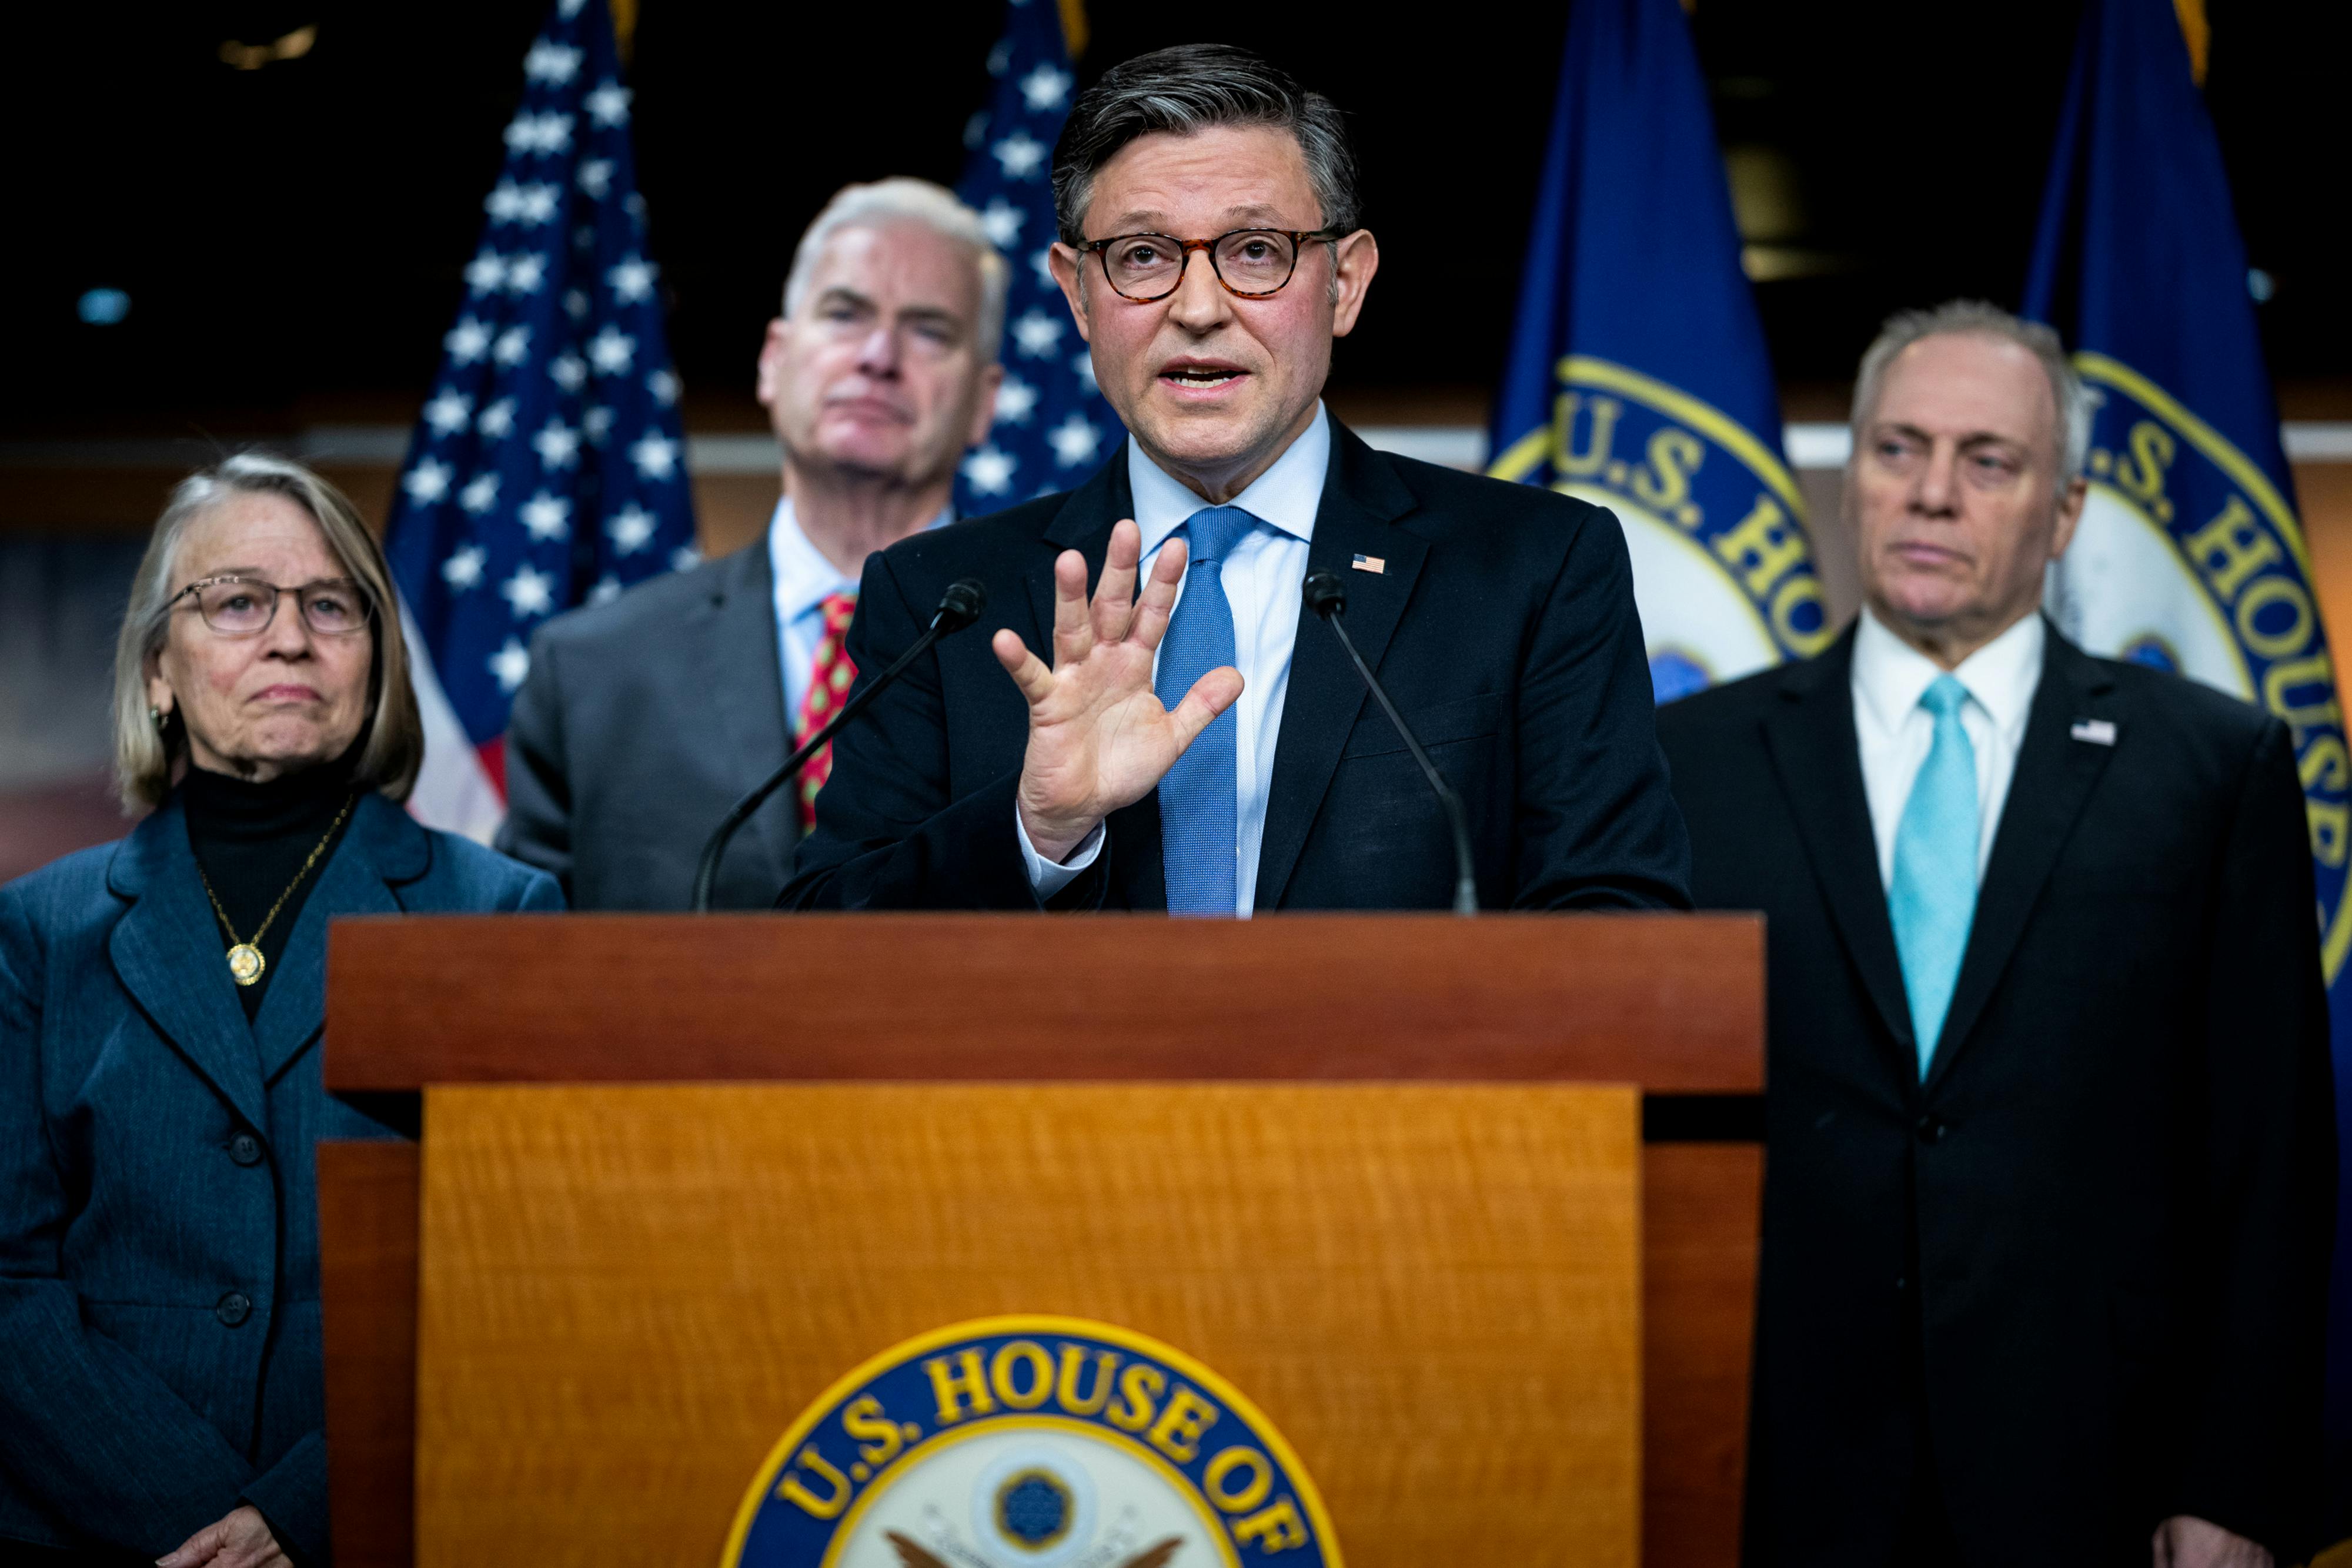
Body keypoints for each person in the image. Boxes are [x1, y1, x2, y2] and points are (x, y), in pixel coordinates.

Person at [1655, 302, 2335, 1568]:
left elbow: (2266, 1159)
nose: (1930, 495)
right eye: (1896, 449)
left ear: (2063, 509)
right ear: (1849, 473)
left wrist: (2235, 1475)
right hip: (1763, 1472)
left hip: (2093, 1469)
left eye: (1986, 461)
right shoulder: (1686, 763)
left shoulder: (2208, 766)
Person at [783, 45, 1689, 914]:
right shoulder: (940, 602)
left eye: (1256, 251)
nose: (1200, 307)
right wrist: (1038, 827)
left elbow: (1617, 916)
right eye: (1143, 256)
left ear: (1346, 283)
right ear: (1076, 294)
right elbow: (825, 945)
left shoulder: (1535, 569)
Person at [0, 454, 560, 1566]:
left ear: (374, 660)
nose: (290, 638)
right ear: (160, 666)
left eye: (330, 605)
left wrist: (301, 1512)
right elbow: (9, 1280)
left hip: (385, 1525)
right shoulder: (37, 931)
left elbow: (517, 1271)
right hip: (94, 1534)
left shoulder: (497, 910)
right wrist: (195, 1521)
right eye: (239, 601)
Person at [497, 178, 1008, 908]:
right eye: (844, 313)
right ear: (773, 360)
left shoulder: (1063, 650)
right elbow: (517, 958)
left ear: (985, 401)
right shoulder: (590, 671)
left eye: (929, 330)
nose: (878, 355)